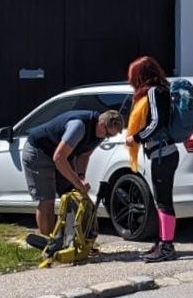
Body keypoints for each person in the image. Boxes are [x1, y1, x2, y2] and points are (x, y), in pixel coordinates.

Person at [22, 109, 124, 237]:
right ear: (102, 124)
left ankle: (72, 240)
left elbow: (84, 155)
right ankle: (48, 244)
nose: (106, 138)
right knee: (47, 199)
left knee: (73, 195)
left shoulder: (100, 133)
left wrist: (81, 177)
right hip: (39, 151)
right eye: (108, 135)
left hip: (62, 156)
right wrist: (76, 181)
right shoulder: (78, 126)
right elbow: (58, 158)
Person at [125, 54, 178, 262]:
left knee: (163, 200)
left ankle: (166, 246)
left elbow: (157, 122)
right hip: (162, 153)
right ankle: (162, 240)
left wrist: (135, 137)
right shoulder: (160, 91)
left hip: (163, 153)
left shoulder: (155, 92)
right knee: (161, 199)